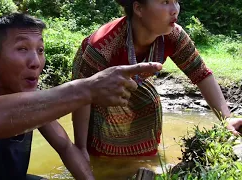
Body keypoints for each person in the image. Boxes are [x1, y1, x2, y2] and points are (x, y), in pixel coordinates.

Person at [0, 13, 163, 180]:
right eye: (22, 49)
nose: (35, 62)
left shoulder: (34, 101)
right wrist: (86, 88)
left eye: (40, 50)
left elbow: (66, 148)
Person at [72, 0, 242, 161]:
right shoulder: (103, 45)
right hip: (92, 84)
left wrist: (226, 118)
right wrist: (80, 149)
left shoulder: (174, 36)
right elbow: (82, 96)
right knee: (98, 135)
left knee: (149, 103)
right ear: (138, 8)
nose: (175, 9)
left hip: (134, 82)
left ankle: (141, 163)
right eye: (165, 2)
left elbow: (201, 74)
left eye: (176, 1)